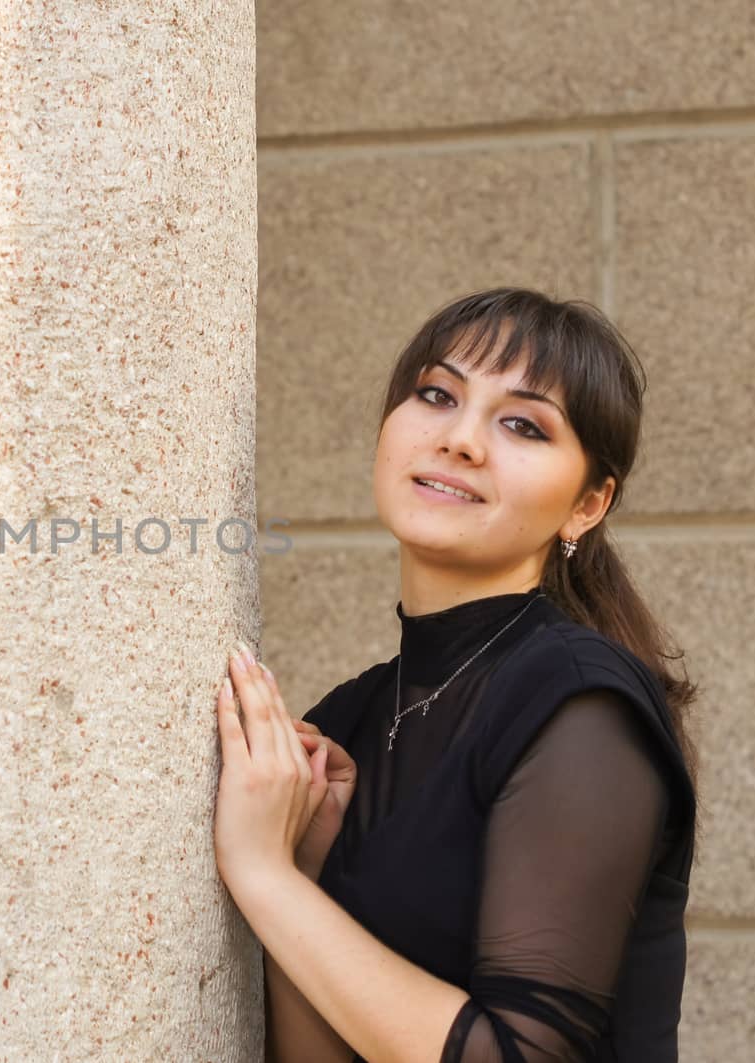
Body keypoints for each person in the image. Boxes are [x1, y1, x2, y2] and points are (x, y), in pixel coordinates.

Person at [213, 288, 700, 1063]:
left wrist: (265, 876)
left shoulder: (581, 706)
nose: (461, 439)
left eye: (522, 424)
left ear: (587, 505)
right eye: (437, 394)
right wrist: (305, 873)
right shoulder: (354, 716)